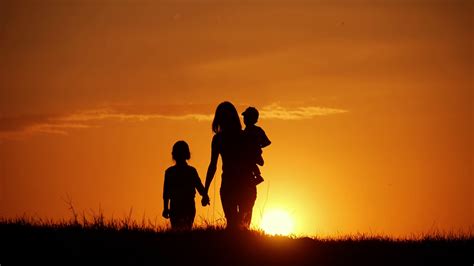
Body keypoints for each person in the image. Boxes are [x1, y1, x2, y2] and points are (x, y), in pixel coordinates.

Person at [202, 101, 257, 230]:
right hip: (245, 184)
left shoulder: (218, 139)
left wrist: (205, 191)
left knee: (233, 225)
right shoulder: (244, 136)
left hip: (230, 184)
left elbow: (212, 166)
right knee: (244, 226)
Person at [162, 140, 207, 230]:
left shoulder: (169, 172)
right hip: (188, 205)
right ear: (187, 154)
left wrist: (166, 208)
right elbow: (200, 187)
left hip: (175, 206)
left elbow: (166, 193)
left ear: (173, 155)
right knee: (187, 230)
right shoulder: (191, 171)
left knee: (177, 232)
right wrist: (205, 196)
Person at [241, 107, 271, 185]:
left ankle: (258, 176)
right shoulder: (245, 131)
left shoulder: (257, 130)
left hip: (253, 153)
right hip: (250, 154)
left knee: (250, 161)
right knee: (249, 162)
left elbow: (267, 142)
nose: (244, 119)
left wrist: (258, 145)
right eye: (245, 117)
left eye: (246, 117)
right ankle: (256, 176)